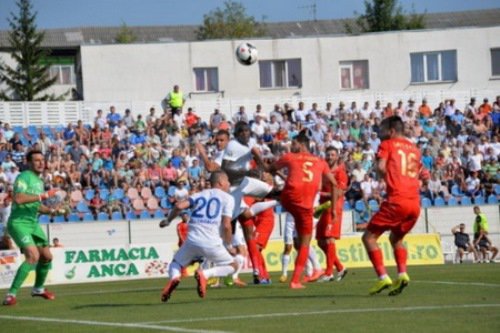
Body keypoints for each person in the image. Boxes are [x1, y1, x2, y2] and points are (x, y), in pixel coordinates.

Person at [266, 130, 337, 289]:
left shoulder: (290, 157)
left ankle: (313, 269)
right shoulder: (320, 161)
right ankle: (295, 280)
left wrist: (267, 165)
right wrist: (333, 209)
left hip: (288, 200)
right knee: (305, 243)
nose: (291, 147)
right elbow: (334, 183)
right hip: (305, 207)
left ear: (302, 144)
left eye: (294, 144)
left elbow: (270, 168)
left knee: (298, 242)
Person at [361, 116, 422, 296]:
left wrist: (386, 179)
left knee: (369, 238)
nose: (380, 134)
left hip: (397, 199)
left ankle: (383, 278)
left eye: (382, 130)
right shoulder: (414, 149)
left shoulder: (388, 144)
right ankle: (402, 274)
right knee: (396, 239)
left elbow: (380, 167)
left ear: (392, 131)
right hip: (414, 203)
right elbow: (420, 173)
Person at [159, 170, 237, 303]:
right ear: (220, 182)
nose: (229, 184)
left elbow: (179, 205)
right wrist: (229, 245)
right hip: (211, 241)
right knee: (233, 265)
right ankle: (205, 274)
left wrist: (168, 220)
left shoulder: (198, 195)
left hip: (192, 241)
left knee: (176, 263)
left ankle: (175, 277)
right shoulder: (228, 198)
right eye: (228, 181)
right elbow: (226, 225)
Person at [3, 149, 62, 306]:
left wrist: (50, 211)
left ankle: (38, 289)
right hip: (19, 222)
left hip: (32, 223)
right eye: (37, 160)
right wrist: (44, 196)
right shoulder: (23, 177)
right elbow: (19, 198)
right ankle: (11, 294)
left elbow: (36, 205)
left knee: (47, 257)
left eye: (42, 160)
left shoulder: (39, 182)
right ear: (29, 162)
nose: (41, 162)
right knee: (33, 256)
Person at [315, 147, 349, 282]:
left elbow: (340, 193)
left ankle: (329, 273)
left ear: (337, 156)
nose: (329, 157)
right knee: (320, 241)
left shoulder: (340, 172)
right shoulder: (323, 170)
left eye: (332, 154)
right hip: (322, 207)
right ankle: (340, 267)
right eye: (328, 154)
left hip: (334, 207)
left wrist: (321, 194)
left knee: (329, 238)